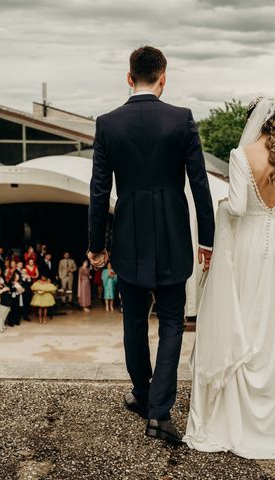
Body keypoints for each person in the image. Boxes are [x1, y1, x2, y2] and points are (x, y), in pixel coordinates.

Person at [185, 97, 275, 459]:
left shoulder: (240, 156)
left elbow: (235, 207)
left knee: (247, 324)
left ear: (251, 121)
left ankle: (240, 417)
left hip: (249, 249)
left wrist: (220, 208)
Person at [87, 46, 215, 445]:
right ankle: (159, 414)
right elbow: (199, 184)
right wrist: (207, 239)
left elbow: (98, 191)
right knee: (173, 321)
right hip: (174, 235)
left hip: (128, 236)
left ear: (129, 78)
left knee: (133, 321)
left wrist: (96, 244)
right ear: (164, 77)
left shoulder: (107, 124)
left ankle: (142, 396)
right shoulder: (181, 119)